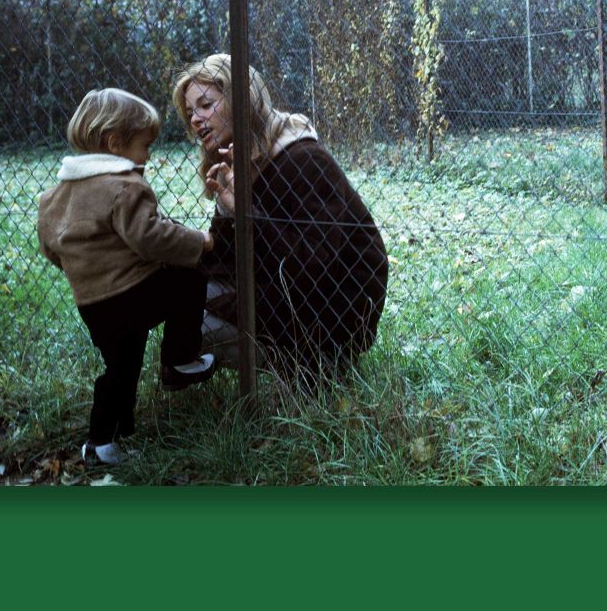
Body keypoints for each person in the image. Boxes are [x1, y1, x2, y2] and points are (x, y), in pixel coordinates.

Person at [172, 54, 388, 381]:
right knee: (182, 296)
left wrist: (244, 210)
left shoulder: (303, 159)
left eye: (206, 105)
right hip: (282, 289)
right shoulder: (240, 160)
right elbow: (227, 258)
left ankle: (315, 367)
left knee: (195, 324)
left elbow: (309, 266)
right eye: (190, 113)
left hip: (334, 310)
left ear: (238, 99)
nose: (196, 120)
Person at [36, 87, 217, 465]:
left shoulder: (57, 194)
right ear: (115, 143)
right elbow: (151, 238)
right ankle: (179, 359)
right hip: (129, 295)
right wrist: (199, 240)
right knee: (189, 279)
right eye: (145, 145)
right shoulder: (124, 187)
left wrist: (85, 273)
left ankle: (102, 442)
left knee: (120, 368)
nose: (148, 155)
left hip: (93, 304)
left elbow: (51, 246)